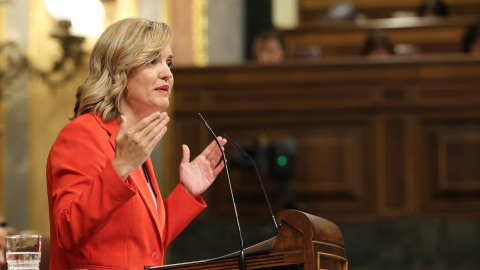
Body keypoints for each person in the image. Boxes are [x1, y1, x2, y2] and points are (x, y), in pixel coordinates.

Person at [46, 18, 227, 269]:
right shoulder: (82, 134)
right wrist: (120, 167)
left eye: (169, 62)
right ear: (119, 69)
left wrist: (187, 192)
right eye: (152, 61)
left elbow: (146, 245)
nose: (167, 73)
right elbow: (67, 231)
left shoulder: (133, 143)